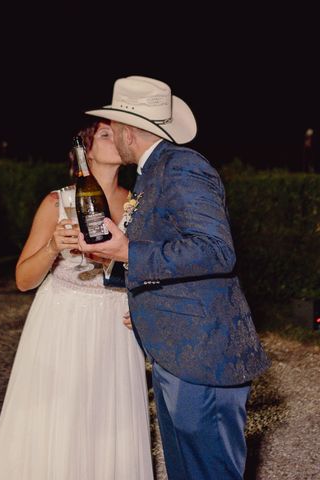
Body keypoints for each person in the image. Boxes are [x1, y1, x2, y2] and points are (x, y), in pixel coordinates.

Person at [79, 75, 271, 480]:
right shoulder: (152, 174)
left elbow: (215, 250)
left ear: (131, 131)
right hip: (176, 351)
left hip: (203, 358)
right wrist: (137, 297)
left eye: (116, 131)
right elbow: (170, 250)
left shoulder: (183, 166)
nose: (114, 139)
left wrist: (129, 251)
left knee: (210, 471)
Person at [0, 121, 153, 479]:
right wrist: (53, 247)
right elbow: (23, 280)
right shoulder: (56, 202)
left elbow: (148, 266)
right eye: (106, 134)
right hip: (63, 322)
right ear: (86, 151)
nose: (118, 137)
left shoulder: (139, 202)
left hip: (115, 325)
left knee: (109, 422)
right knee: (60, 420)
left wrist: (142, 307)